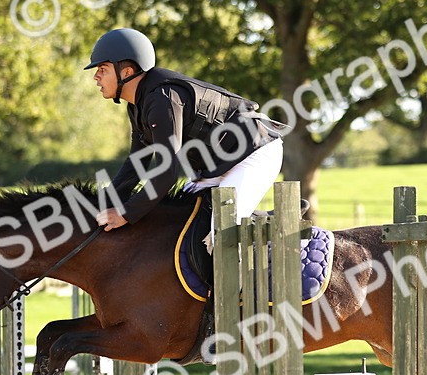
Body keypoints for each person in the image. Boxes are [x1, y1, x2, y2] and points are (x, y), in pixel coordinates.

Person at [86, 28, 284, 234]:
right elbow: (137, 163)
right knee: (181, 219)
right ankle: (264, 220)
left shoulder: (162, 99)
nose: (96, 77)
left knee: (221, 233)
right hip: (215, 167)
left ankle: (275, 243)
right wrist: (102, 204)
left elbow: (168, 171)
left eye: (102, 69)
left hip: (254, 151)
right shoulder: (137, 105)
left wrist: (126, 213)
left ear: (126, 72)